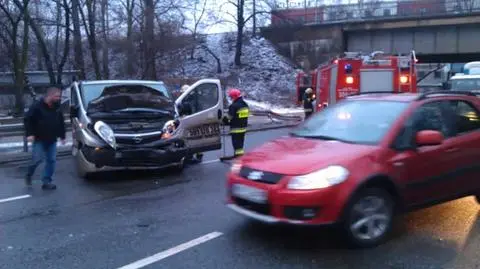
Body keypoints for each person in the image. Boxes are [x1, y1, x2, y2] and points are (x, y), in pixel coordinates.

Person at [24, 87, 66, 189]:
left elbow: (60, 122)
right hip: (39, 139)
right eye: (57, 96)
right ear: (50, 95)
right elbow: (28, 120)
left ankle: (46, 181)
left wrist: (62, 136)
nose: (59, 98)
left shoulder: (57, 107)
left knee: (51, 160)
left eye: (59, 96)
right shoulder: (37, 106)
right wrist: (30, 134)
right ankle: (29, 174)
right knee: (37, 160)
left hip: (52, 139)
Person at [179, 84, 203, 163]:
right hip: (194, 120)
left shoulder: (189, 100)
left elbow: (189, 110)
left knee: (192, 138)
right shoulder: (195, 98)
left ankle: (192, 156)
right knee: (196, 138)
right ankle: (197, 155)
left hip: (192, 121)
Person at [222, 88, 249, 158]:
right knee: (240, 143)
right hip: (243, 128)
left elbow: (229, 117)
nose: (231, 99)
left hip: (236, 128)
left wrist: (224, 120)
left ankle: (238, 157)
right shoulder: (245, 105)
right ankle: (239, 155)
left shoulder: (233, 106)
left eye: (231, 97)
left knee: (236, 144)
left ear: (234, 97)